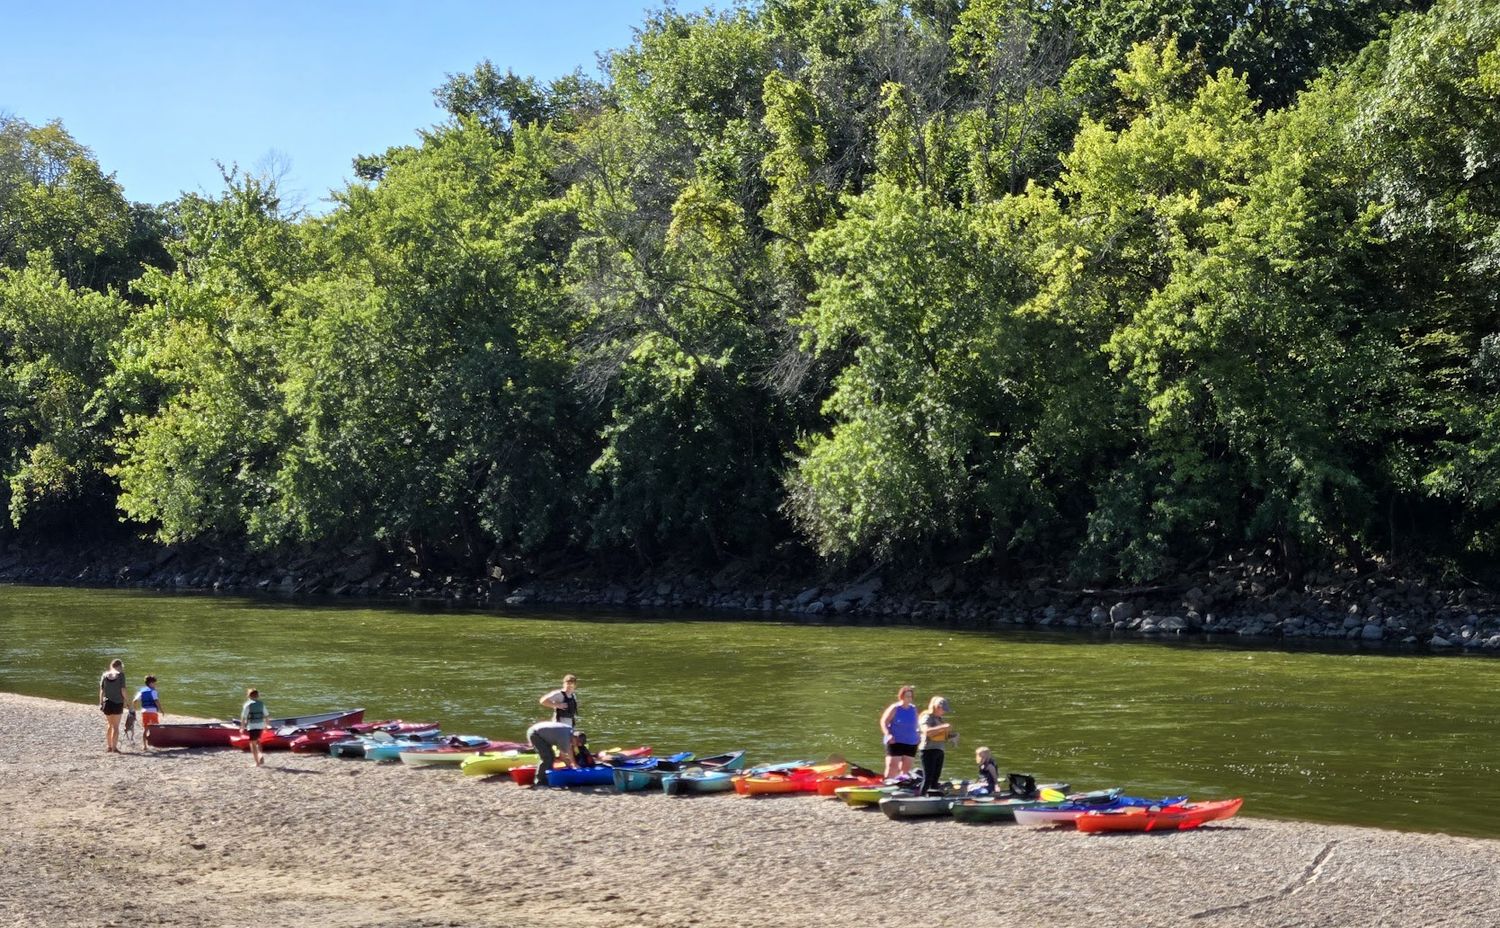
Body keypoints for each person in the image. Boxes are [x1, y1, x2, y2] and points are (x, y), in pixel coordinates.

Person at [878, 685, 920, 780]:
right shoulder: (895, 708)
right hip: (895, 741)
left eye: (910, 697)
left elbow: (916, 723)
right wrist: (888, 734)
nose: (909, 699)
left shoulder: (913, 708)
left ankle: (902, 785)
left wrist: (918, 734)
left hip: (911, 742)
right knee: (892, 767)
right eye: (907, 696)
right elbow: (884, 721)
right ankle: (887, 784)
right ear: (901, 697)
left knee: (905, 770)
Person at [917, 696, 955, 795]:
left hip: (939, 749)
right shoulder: (927, 717)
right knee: (928, 778)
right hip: (928, 750)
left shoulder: (939, 719)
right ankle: (921, 797)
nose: (944, 712)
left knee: (935, 778)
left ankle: (933, 796)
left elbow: (940, 735)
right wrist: (943, 727)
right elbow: (926, 731)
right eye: (943, 709)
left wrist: (952, 736)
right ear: (936, 707)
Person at [525, 719, 576, 787]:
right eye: (577, 742)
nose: (576, 745)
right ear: (574, 738)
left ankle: (548, 777)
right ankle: (540, 781)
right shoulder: (565, 737)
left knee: (551, 756)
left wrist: (572, 764)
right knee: (547, 757)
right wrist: (572, 766)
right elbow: (563, 756)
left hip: (542, 734)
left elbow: (567, 751)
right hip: (535, 734)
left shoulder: (570, 731)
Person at [99, 659, 127, 753]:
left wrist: (101, 703)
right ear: (120, 666)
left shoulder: (104, 675)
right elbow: (123, 690)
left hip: (107, 703)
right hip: (118, 703)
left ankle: (109, 746)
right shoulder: (121, 675)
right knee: (116, 726)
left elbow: (102, 691)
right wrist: (127, 701)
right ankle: (114, 748)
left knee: (109, 725)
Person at [132, 675, 163, 751]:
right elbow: (156, 701)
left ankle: (144, 746)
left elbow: (134, 701)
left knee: (145, 729)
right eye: (154, 683)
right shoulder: (153, 691)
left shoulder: (141, 691)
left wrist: (134, 710)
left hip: (144, 712)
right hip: (152, 711)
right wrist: (161, 710)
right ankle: (156, 744)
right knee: (155, 729)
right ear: (151, 683)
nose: (155, 685)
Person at [240, 688, 268, 767]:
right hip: (260, 725)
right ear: (258, 696)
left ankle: (257, 763)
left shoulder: (247, 705)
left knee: (252, 744)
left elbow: (243, 717)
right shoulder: (261, 704)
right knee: (258, 741)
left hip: (252, 726)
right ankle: (260, 754)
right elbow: (266, 715)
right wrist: (266, 725)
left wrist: (242, 727)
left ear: (248, 696)